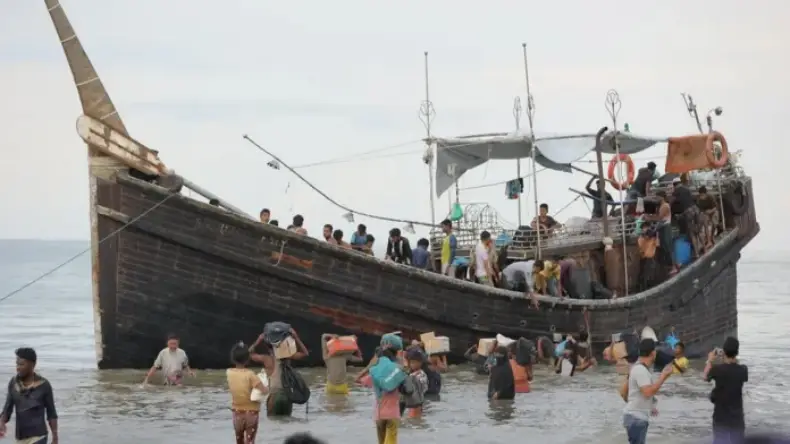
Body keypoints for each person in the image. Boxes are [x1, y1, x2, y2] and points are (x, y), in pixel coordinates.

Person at [619, 339, 674, 444]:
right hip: (636, 419)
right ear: (653, 353)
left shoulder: (637, 368)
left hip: (633, 417)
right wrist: (663, 377)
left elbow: (623, 392)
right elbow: (648, 392)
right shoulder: (641, 370)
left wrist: (646, 406)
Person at [0, 348, 59, 444]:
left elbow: (51, 413)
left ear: (32, 365)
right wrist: (2, 422)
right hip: (20, 437)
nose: (18, 367)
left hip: (38, 437)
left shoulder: (43, 385)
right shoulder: (14, 383)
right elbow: (7, 409)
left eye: (21, 364)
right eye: (17, 364)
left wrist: (55, 437)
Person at [704, 336, 748, 443]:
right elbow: (735, 368)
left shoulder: (717, 370)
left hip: (720, 418)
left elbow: (705, 377)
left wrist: (710, 360)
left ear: (723, 351)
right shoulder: (743, 370)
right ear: (736, 352)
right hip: (737, 418)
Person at [227, 343, 268, 444]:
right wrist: (267, 384)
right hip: (251, 413)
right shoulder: (250, 375)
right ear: (248, 359)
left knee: (239, 441)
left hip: (237, 413)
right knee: (250, 441)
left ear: (233, 358)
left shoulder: (229, 373)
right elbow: (264, 390)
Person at [370, 333, 406, 444]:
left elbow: (358, 380)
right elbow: (407, 389)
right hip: (393, 414)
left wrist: (371, 365)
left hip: (378, 415)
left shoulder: (374, 370)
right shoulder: (398, 369)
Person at [267, 329, 309, 417]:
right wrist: (296, 338)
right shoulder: (289, 355)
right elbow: (305, 353)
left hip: (274, 396)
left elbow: (250, 353)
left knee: (273, 421)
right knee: (287, 421)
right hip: (287, 395)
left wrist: (259, 340)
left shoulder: (270, 358)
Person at [402, 348, 428, 418]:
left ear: (420, 362)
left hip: (416, 402)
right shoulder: (413, 374)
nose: (411, 365)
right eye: (411, 362)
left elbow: (422, 388)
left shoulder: (420, 374)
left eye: (413, 362)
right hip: (413, 402)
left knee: (414, 418)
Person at [697, 186, 719, 252]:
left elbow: (716, 207)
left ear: (706, 193)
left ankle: (712, 236)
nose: (702, 196)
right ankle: (709, 241)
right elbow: (700, 209)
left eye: (703, 195)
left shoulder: (710, 197)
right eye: (700, 195)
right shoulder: (699, 199)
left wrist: (711, 211)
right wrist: (705, 212)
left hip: (713, 210)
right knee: (705, 224)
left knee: (714, 224)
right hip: (705, 212)